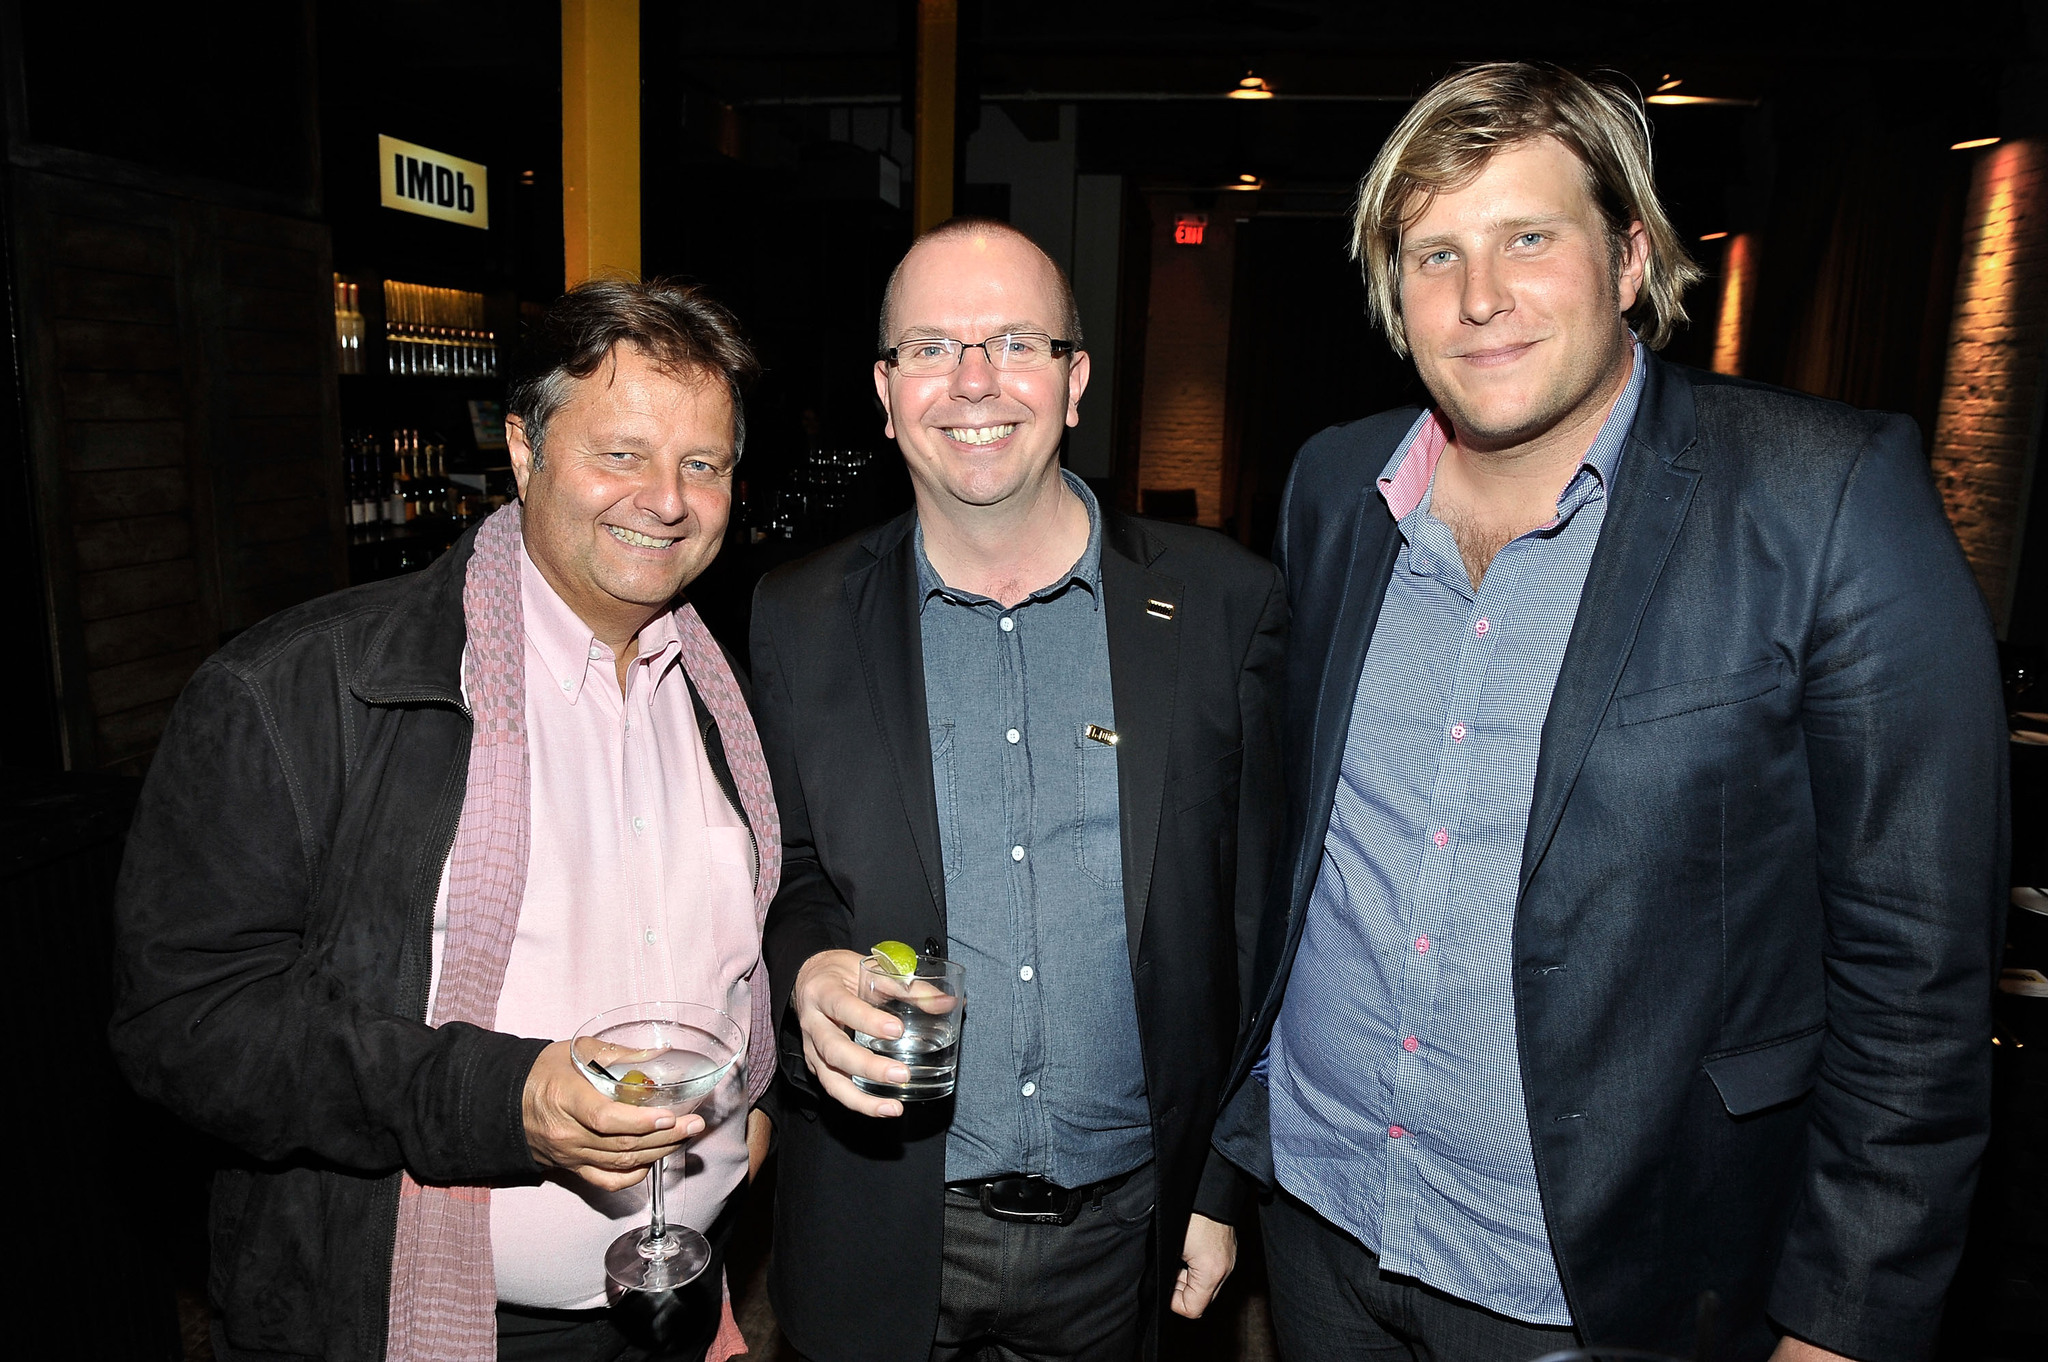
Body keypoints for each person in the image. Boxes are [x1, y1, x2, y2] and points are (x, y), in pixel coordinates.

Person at [1209, 62, 2008, 1362]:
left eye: (1529, 237)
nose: (1480, 298)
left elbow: (1916, 976)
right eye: (1433, 254)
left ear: (1630, 259)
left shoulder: (1826, 500)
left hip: (1609, 1277)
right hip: (1323, 1222)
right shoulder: (1333, 484)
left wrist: (1847, 1318)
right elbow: (1299, 847)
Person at [110, 280, 780, 1362]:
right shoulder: (300, 690)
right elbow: (185, 1027)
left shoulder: (720, 695)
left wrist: (742, 1150)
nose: (664, 499)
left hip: (670, 1304)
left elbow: (730, 969)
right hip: (417, 1323)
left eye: (701, 465)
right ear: (523, 450)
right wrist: (498, 1097)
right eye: (620, 453)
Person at [751, 218, 1287, 1362]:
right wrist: (803, 972)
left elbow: (1263, 925)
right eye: (933, 349)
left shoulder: (1223, 605)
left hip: (1129, 1230)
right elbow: (787, 868)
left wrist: (1222, 1184)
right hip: (878, 1217)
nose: (975, 382)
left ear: (1074, 379)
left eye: (1014, 342)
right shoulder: (795, 616)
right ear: (886, 394)